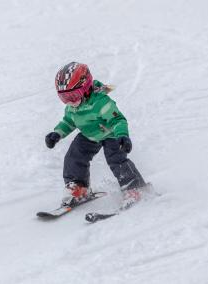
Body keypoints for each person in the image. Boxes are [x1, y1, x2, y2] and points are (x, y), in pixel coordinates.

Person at [45, 62, 147, 208]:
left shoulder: (100, 102)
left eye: (73, 95)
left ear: (86, 88)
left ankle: (135, 188)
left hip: (110, 134)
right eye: (64, 97)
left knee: (116, 159)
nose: (70, 101)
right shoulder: (72, 107)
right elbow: (69, 122)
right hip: (89, 134)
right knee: (74, 156)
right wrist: (57, 134)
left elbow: (117, 119)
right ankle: (79, 188)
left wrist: (122, 135)